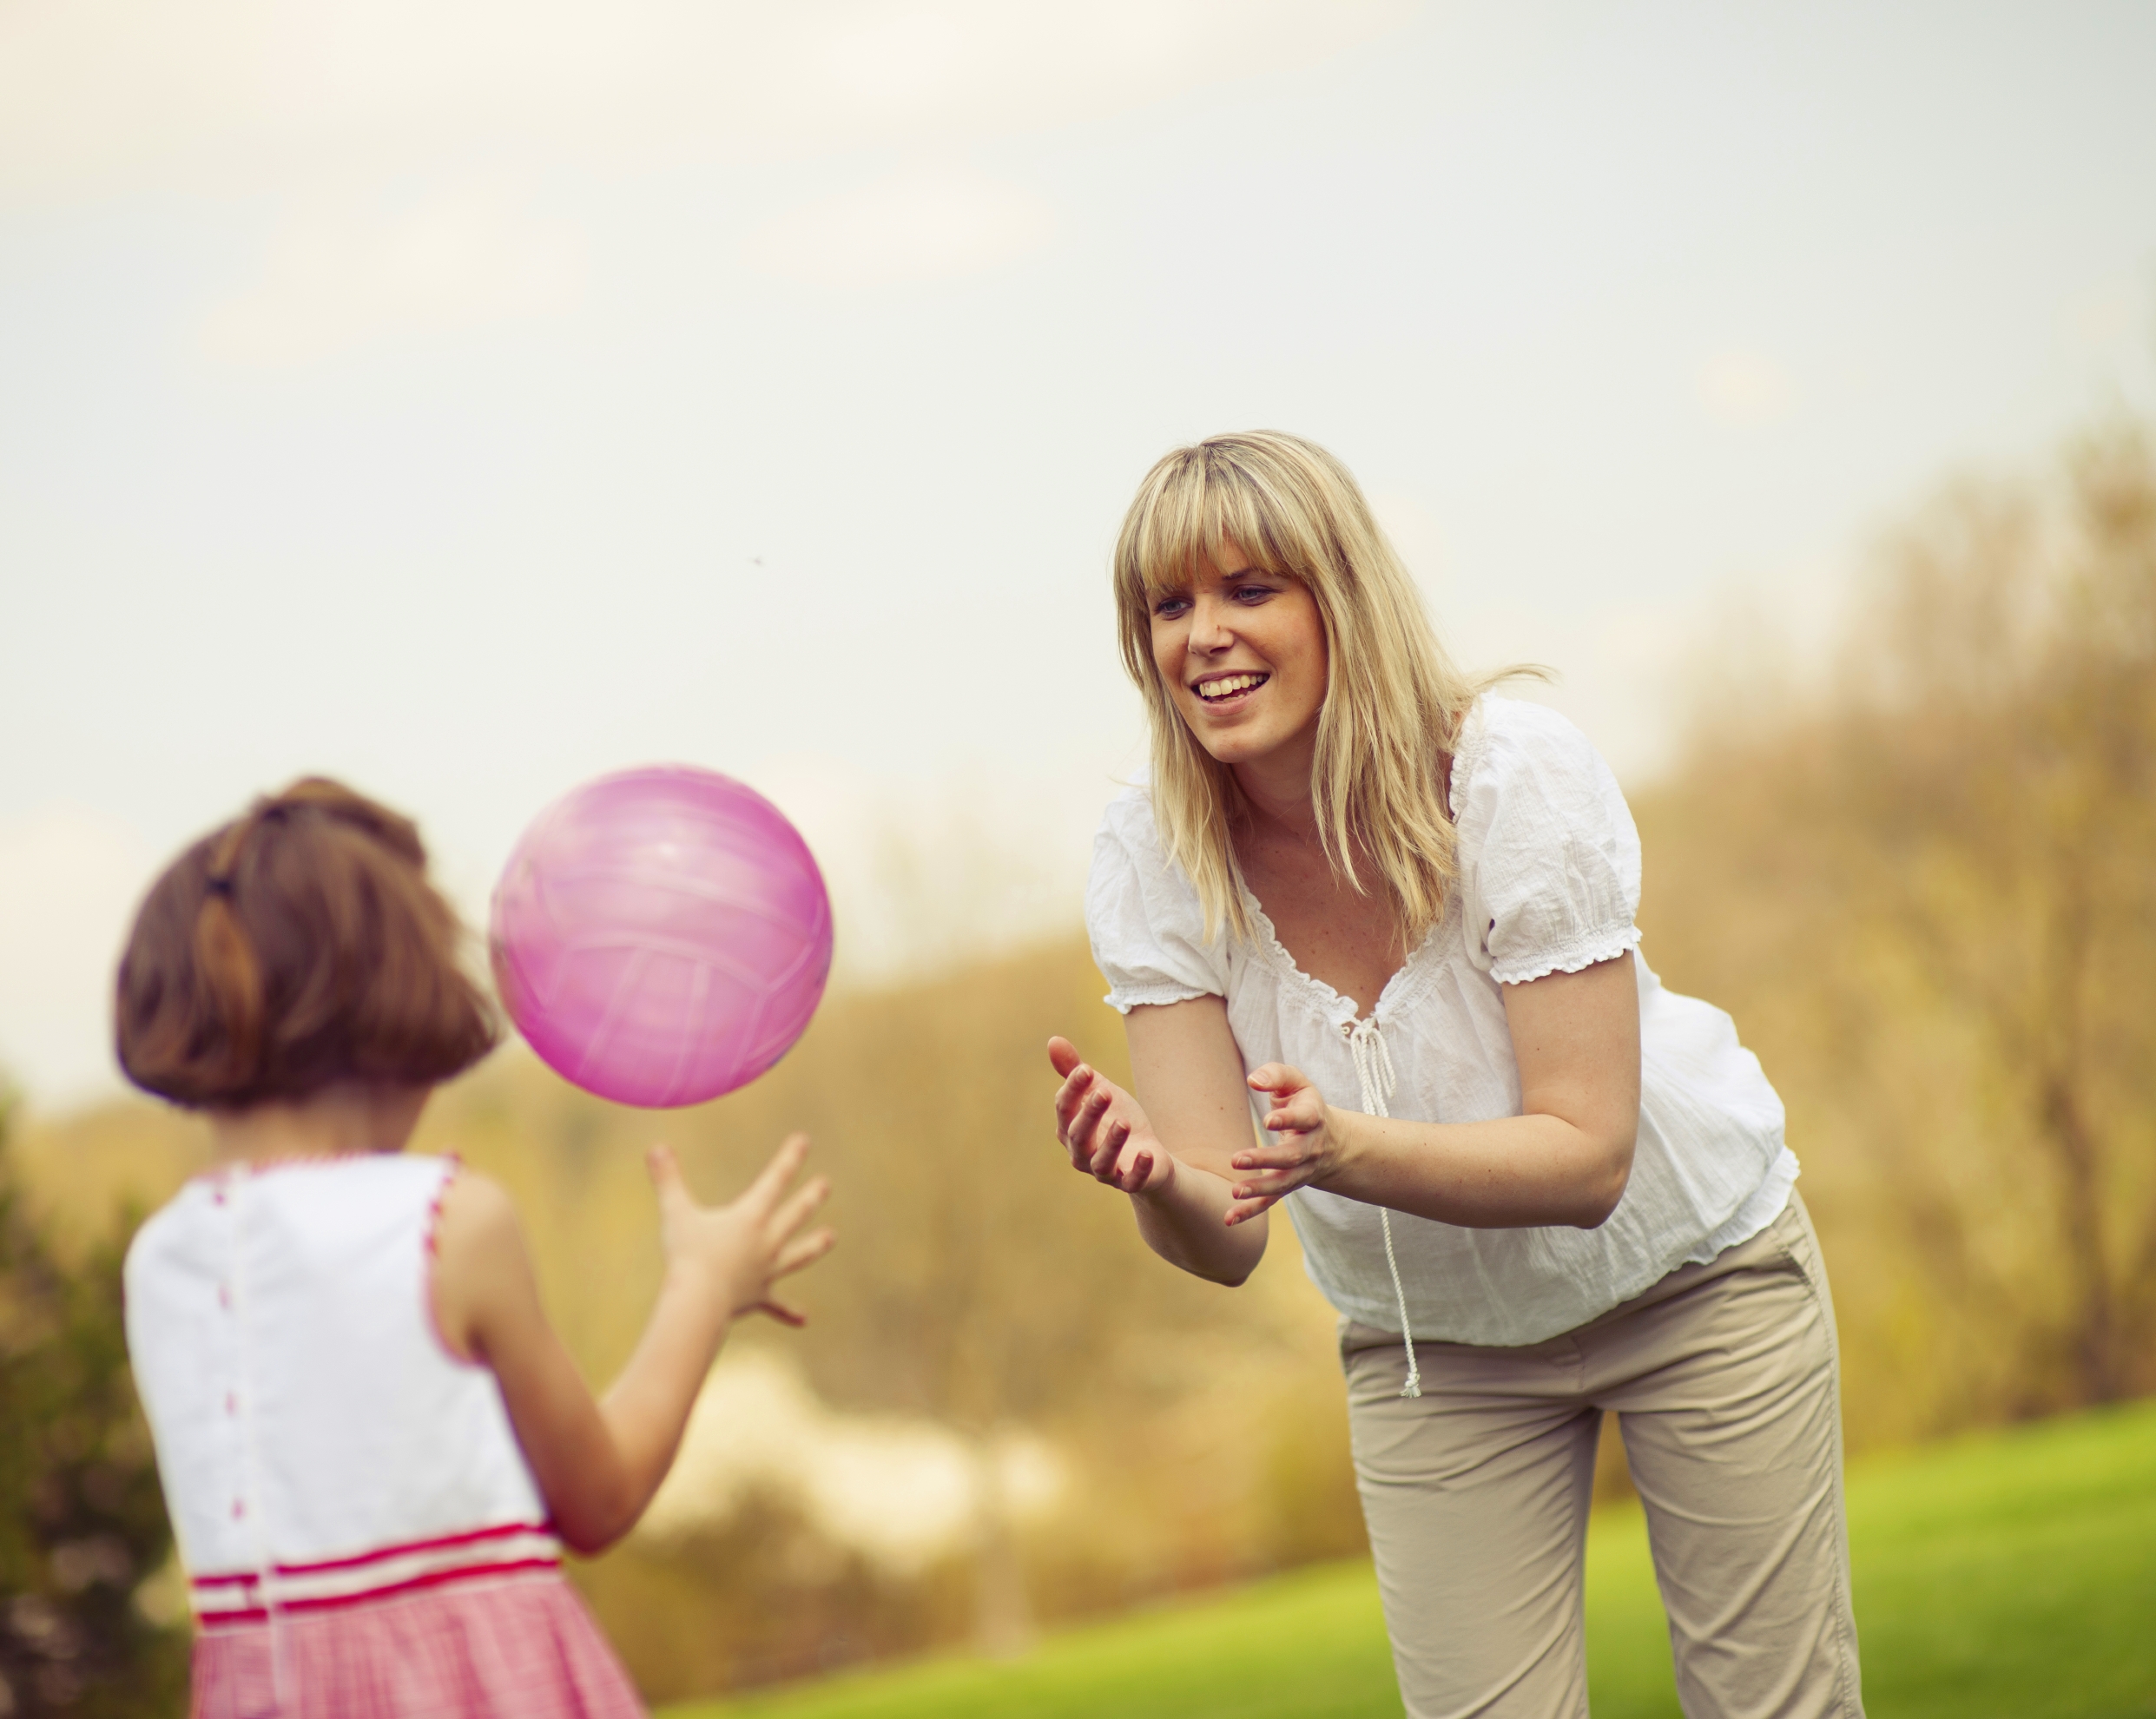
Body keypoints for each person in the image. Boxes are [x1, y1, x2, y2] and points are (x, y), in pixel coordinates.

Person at [1048, 432, 1861, 1718]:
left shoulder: (1506, 779)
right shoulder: (1153, 853)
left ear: (1338, 598)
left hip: (1691, 1284)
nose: (1202, 633)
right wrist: (1153, 1179)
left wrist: (1347, 1148)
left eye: (1247, 590)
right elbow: (1227, 1235)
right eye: (1167, 605)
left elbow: (1587, 1158)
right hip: (1440, 1358)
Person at [116, 778, 834, 1718]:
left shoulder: (160, 1263)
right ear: (401, 999)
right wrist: (702, 1284)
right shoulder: (446, 1222)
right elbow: (599, 1497)